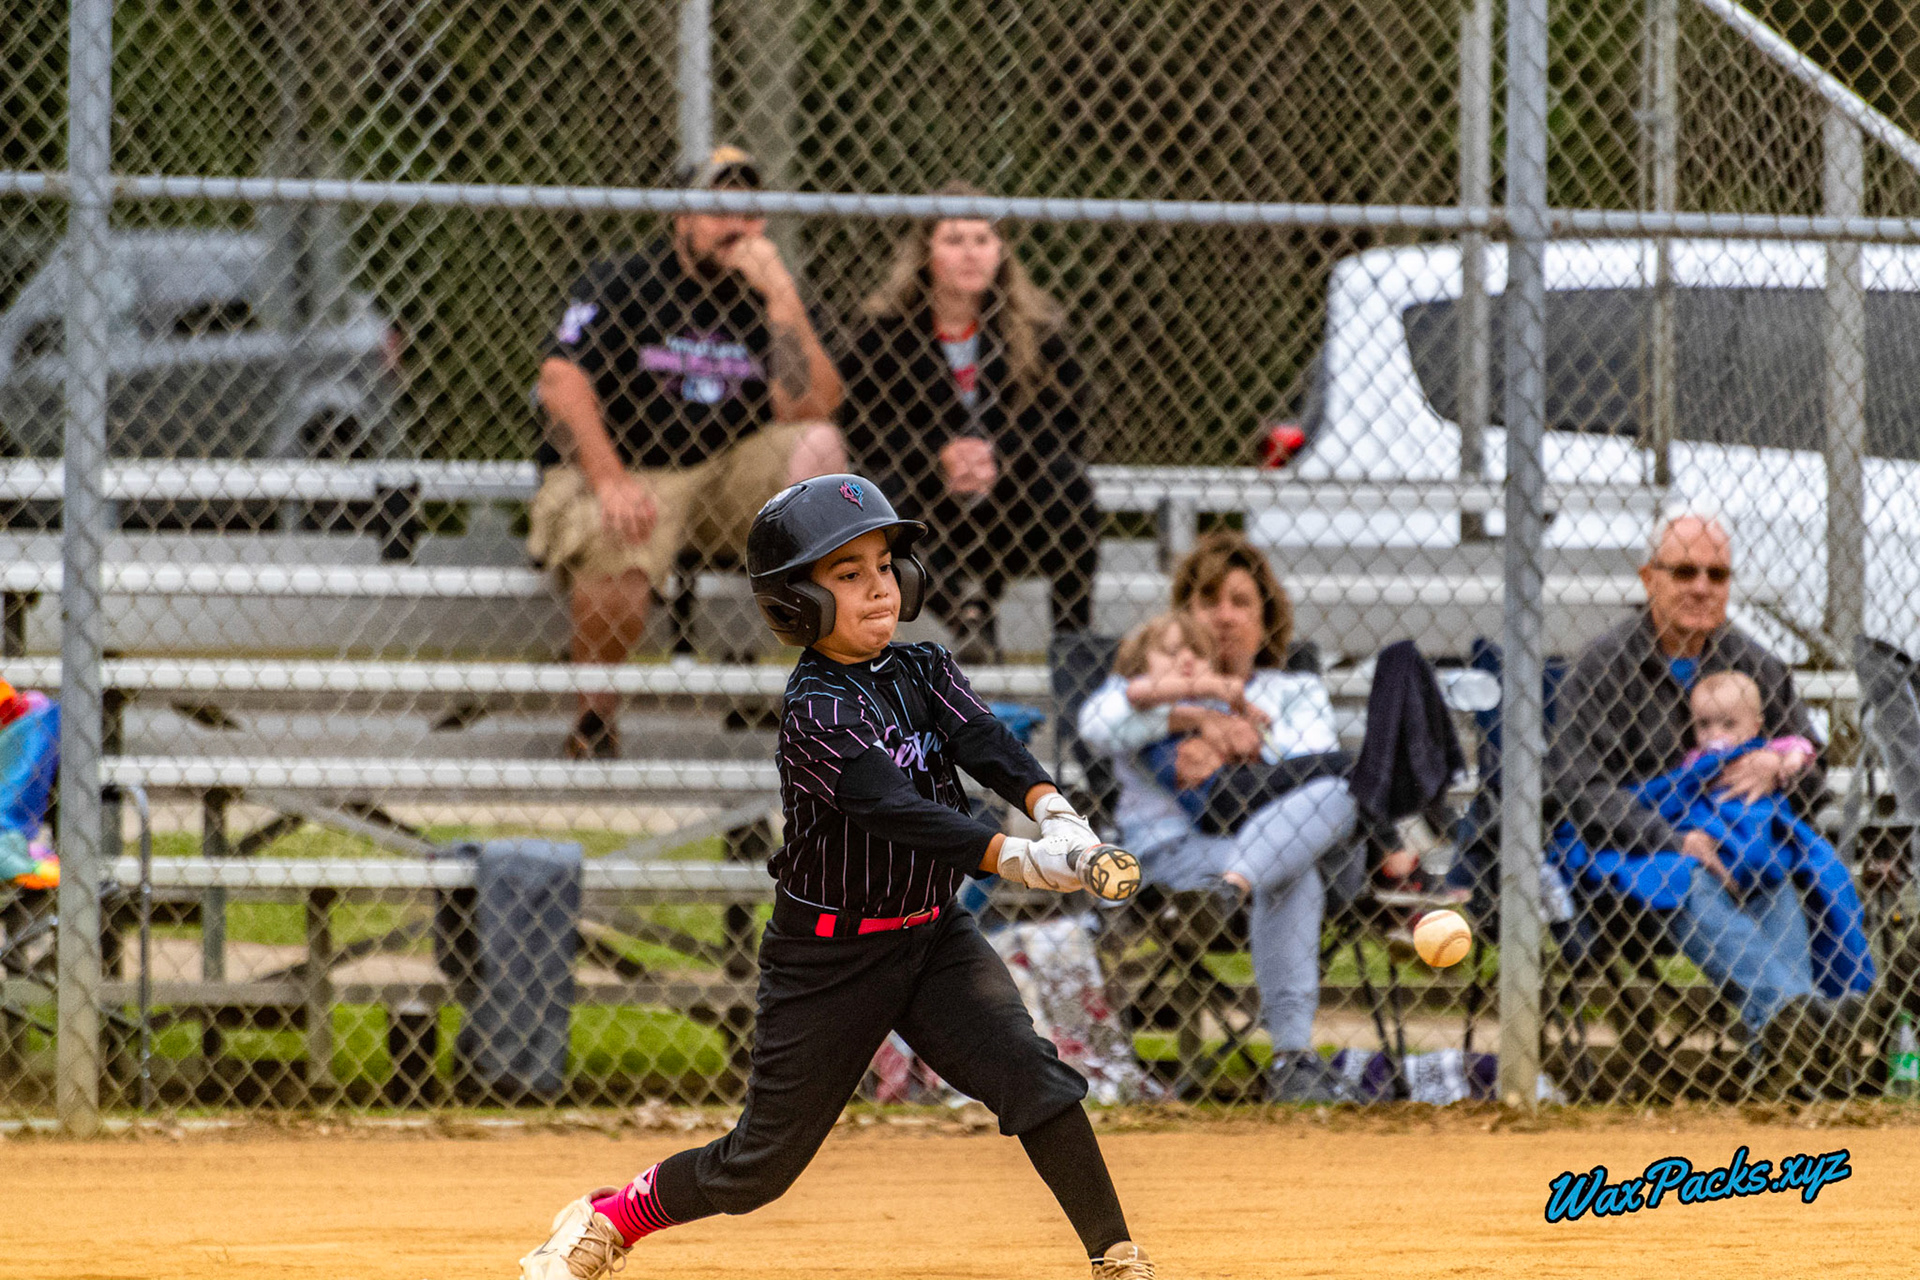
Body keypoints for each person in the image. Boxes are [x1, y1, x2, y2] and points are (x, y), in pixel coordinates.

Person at [518, 474, 1154, 1280]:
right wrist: (1019, 858)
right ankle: (612, 1216)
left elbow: (987, 742)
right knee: (758, 1167)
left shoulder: (923, 668)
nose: (878, 587)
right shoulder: (816, 710)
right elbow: (895, 811)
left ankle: (1117, 1257)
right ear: (798, 603)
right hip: (828, 961)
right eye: (847, 576)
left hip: (931, 938)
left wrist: (1055, 810)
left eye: (885, 566)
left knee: (1034, 1076)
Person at [527, 145, 847, 757]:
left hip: (721, 473)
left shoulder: (766, 295)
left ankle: (821, 698)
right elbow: (561, 381)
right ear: (682, 217)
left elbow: (811, 407)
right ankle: (596, 722)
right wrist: (611, 480)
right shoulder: (623, 280)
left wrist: (782, 297)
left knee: (821, 445)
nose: (738, 225)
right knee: (612, 532)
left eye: (751, 211)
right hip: (632, 468)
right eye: (719, 207)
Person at [1547, 511, 1847, 1068]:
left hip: (1739, 841)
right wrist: (1670, 835)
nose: (1702, 587)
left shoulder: (1755, 663)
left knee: (1772, 873)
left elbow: (1813, 763)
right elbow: (1578, 788)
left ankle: (1789, 1058)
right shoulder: (1600, 667)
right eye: (1684, 572)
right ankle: (1798, 1026)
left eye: (1717, 574)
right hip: (1636, 851)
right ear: (1648, 579)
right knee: (1688, 875)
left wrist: (1775, 767)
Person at [1077, 532, 1361, 1103]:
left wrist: (1236, 740)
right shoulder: (1150, 685)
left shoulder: (1296, 689)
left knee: (1338, 793)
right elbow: (1099, 725)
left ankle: (1233, 887)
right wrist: (1192, 718)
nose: (1225, 618)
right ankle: (1292, 1061)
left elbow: (1308, 774)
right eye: (1210, 602)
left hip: (1257, 851)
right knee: (1293, 864)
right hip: (1175, 865)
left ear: (1265, 619)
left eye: (1241, 603)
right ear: (1185, 615)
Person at [839, 185, 1098, 660]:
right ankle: (966, 614)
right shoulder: (883, 332)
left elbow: (1068, 423)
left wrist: (1000, 456)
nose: (970, 253)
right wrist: (939, 454)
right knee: (878, 497)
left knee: (1071, 487)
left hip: (1013, 499)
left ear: (1001, 252)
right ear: (926, 252)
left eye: (982, 239)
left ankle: (1073, 649)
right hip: (928, 502)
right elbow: (863, 427)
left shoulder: (1037, 328)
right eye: (954, 239)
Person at [1563, 670, 1875, 1001]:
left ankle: (1797, 1013)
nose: (1716, 736)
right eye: (1704, 726)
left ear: (1756, 726)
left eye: (1728, 726)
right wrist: (1682, 827)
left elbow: (1802, 750)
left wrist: (1777, 762)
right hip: (1690, 846)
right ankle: (1798, 1013)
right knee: (1692, 880)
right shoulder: (1693, 758)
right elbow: (1673, 795)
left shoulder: (1765, 721)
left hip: (1755, 842)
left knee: (1775, 885)